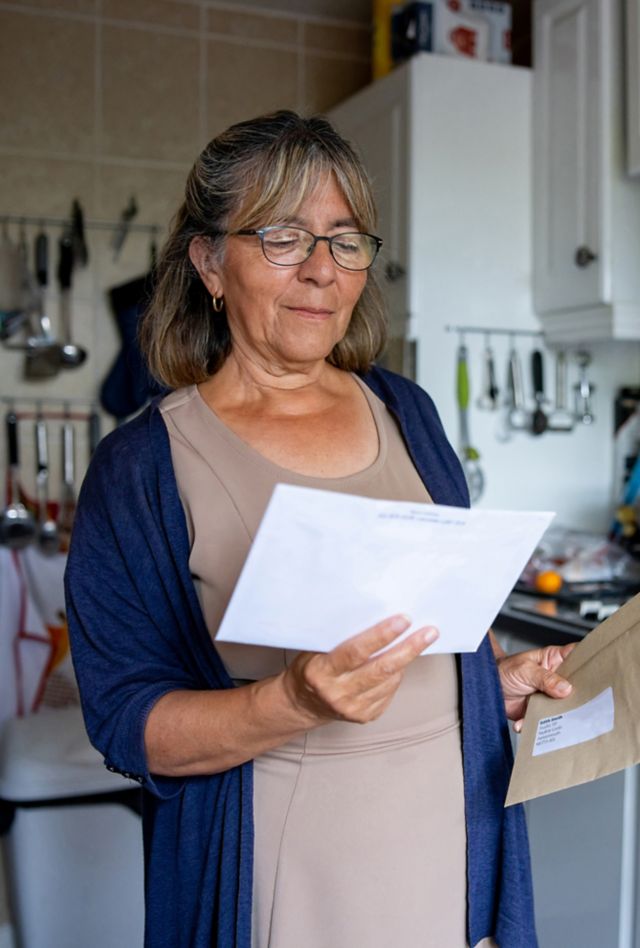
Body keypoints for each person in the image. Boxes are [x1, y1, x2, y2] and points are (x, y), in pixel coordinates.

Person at [65, 110, 574, 948]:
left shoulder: (407, 411)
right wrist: (292, 700)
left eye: (344, 241)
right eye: (282, 237)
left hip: (449, 854)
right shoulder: (142, 468)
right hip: (282, 872)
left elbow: (427, 622)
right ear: (208, 263)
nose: (320, 272)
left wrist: (491, 684)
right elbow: (128, 721)